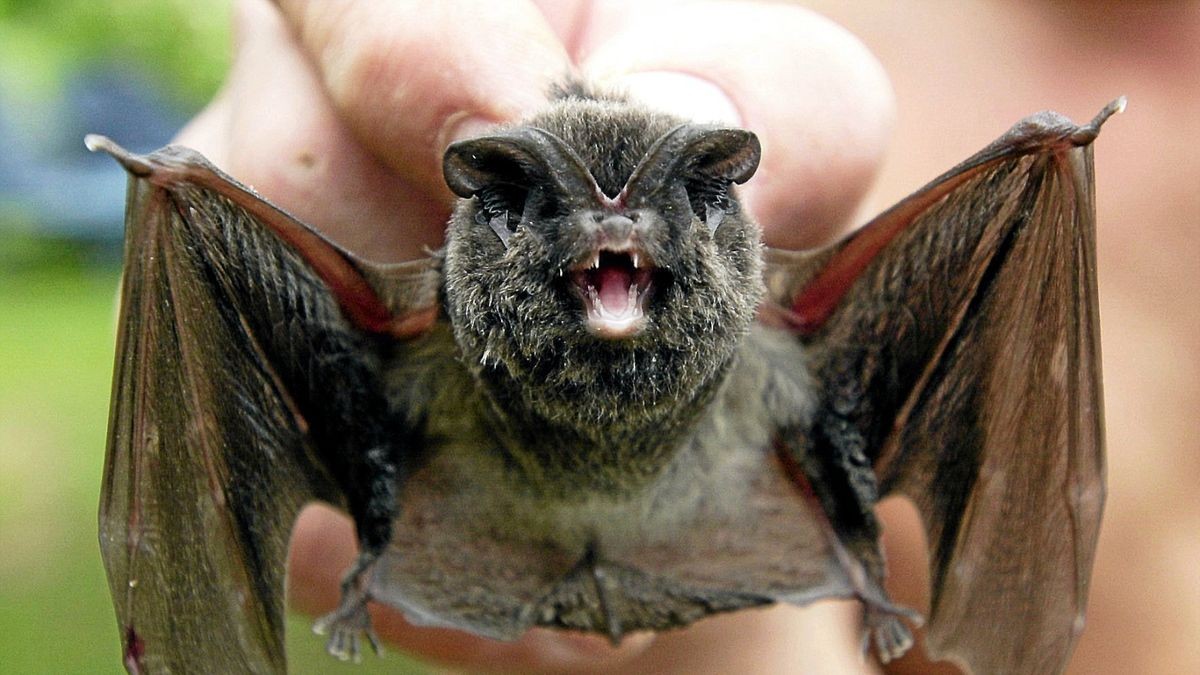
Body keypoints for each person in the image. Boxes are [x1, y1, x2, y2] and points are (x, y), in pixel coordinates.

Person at [177, 0, 908, 672]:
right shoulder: (428, 333)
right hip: (514, 484)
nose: (616, 229)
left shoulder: (782, 338)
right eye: (571, 213)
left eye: (649, 211)